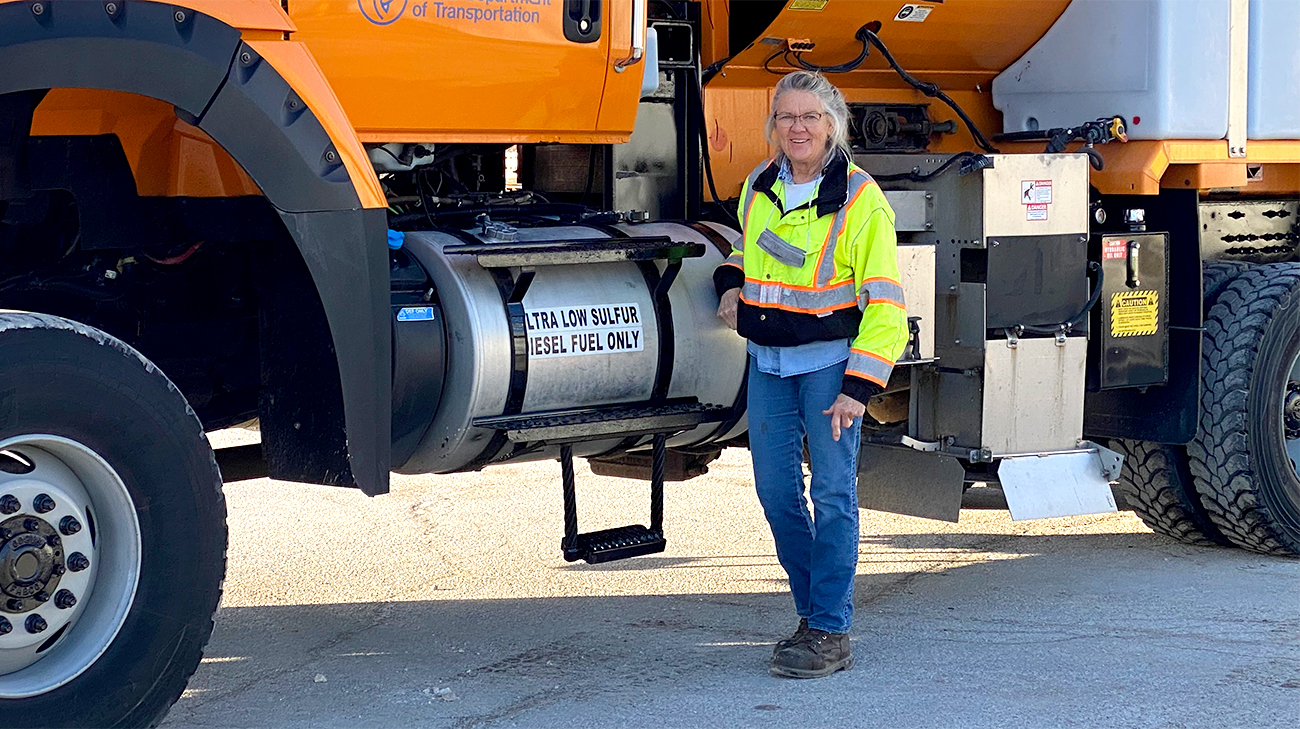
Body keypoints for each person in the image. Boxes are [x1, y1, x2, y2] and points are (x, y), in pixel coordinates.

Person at [713, 71, 908, 679]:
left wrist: (859, 386)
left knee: (831, 493)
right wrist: (729, 283)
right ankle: (812, 614)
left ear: (832, 125)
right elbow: (749, 252)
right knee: (776, 495)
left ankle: (829, 628)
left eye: (810, 117)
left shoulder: (860, 199)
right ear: (773, 126)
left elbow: (885, 303)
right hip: (768, 361)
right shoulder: (758, 183)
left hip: (829, 366)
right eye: (786, 117)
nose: (797, 128)